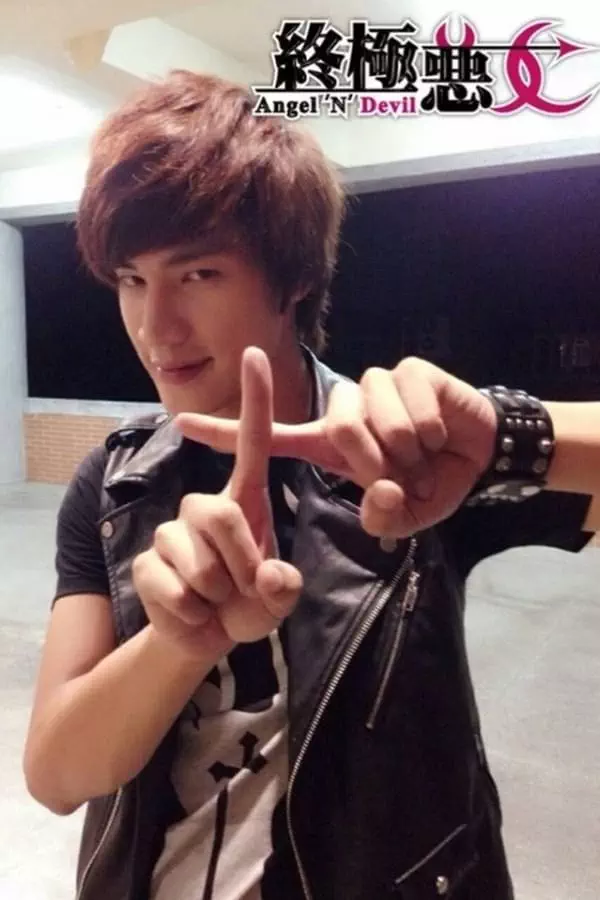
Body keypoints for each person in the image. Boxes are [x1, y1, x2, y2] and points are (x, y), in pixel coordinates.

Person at [23, 69, 600, 900]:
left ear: (293, 279)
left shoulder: (404, 456)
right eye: (132, 279)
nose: (156, 328)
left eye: (198, 274)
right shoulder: (116, 484)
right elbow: (56, 775)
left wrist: (508, 436)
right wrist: (178, 642)